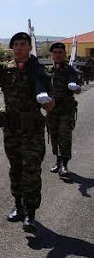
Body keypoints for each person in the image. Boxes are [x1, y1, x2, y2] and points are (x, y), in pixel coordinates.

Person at [0, 29, 54, 233]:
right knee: (15, 168)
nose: (18, 48)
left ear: (29, 47)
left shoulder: (40, 72)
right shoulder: (6, 70)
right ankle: (18, 206)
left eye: (23, 44)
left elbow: (51, 107)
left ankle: (30, 213)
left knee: (31, 170)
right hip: (12, 129)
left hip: (32, 131)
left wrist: (47, 102)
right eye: (15, 45)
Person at [46, 42, 81, 177]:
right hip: (52, 108)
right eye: (55, 52)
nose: (57, 55)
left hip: (66, 109)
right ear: (51, 55)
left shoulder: (70, 70)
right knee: (53, 134)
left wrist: (75, 87)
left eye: (60, 52)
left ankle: (65, 164)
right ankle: (58, 161)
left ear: (65, 54)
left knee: (65, 135)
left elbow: (77, 89)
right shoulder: (48, 71)